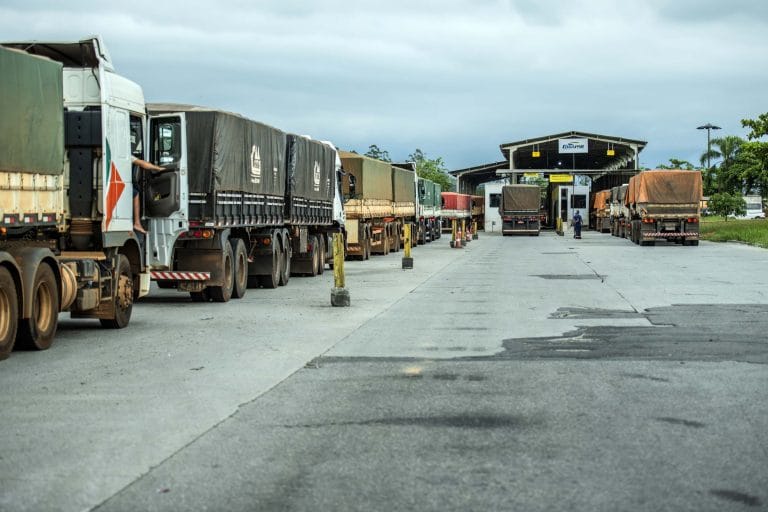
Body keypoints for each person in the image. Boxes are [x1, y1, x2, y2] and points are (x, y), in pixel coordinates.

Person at [132, 157, 164, 234]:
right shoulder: (126, 155)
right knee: (135, 193)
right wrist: (158, 168)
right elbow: (142, 163)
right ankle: (137, 223)